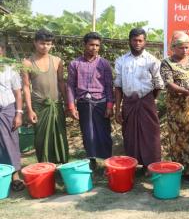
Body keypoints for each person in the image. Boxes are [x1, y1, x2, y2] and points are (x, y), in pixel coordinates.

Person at [114, 28, 164, 173]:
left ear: (145, 42)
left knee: (151, 134)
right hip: (129, 102)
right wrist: (118, 109)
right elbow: (118, 86)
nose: (137, 43)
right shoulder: (121, 61)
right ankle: (133, 164)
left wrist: (148, 99)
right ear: (129, 41)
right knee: (130, 135)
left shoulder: (152, 61)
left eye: (140, 40)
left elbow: (158, 84)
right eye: (134, 40)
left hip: (146, 101)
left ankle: (151, 166)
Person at [160, 31, 189, 183]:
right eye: (181, 48)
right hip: (176, 108)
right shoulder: (167, 63)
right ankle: (178, 171)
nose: (184, 51)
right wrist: (186, 91)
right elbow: (169, 83)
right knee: (177, 140)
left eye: (186, 47)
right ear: (173, 48)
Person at [67, 32, 114, 170]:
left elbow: (108, 85)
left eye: (97, 45)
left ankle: (107, 162)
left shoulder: (104, 63)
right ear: (85, 45)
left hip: (101, 102)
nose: (94, 48)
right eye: (91, 45)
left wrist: (110, 106)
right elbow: (70, 85)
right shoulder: (75, 64)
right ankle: (91, 160)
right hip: (83, 103)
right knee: (87, 132)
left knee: (104, 133)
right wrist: (71, 106)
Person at [22, 29, 68, 163]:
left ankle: (62, 165)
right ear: (35, 43)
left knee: (60, 137)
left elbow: (61, 82)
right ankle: (45, 166)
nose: (45, 46)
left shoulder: (57, 61)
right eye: (42, 43)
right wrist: (29, 110)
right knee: (41, 139)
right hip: (39, 106)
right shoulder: (27, 63)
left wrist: (67, 104)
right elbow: (26, 86)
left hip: (56, 105)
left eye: (48, 44)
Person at [0, 44, 24, 191]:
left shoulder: (10, 69)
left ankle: (15, 177)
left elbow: (18, 93)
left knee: (11, 142)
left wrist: (19, 113)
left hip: (8, 109)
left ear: (2, 51)